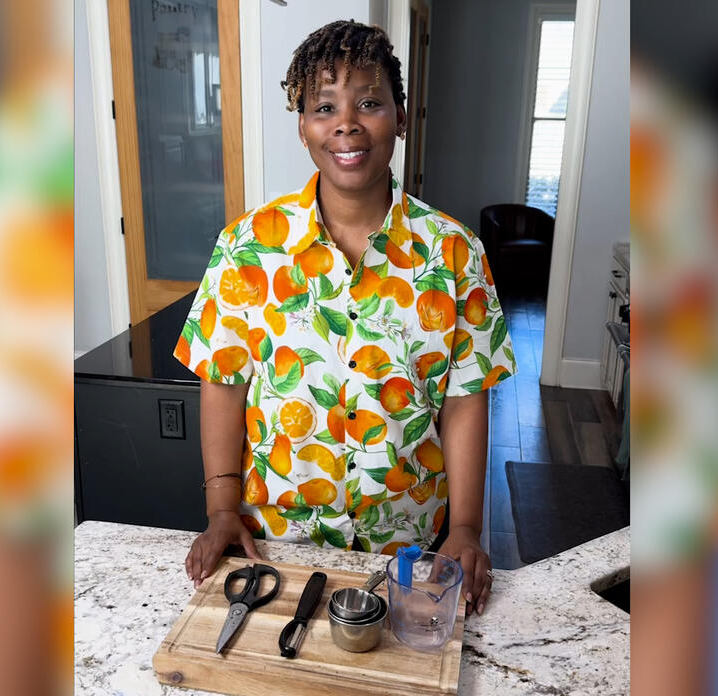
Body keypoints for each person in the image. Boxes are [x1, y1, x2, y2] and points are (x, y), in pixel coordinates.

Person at [174, 19, 516, 617]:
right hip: (275, 547)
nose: (346, 123)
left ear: (402, 116)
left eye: (370, 102)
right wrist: (222, 512)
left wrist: (465, 527)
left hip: (409, 551)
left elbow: (466, 398)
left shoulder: (456, 254)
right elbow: (222, 384)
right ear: (303, 127)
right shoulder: (247, 248)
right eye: (323, 106)